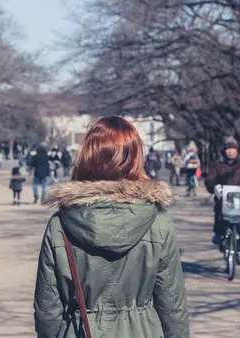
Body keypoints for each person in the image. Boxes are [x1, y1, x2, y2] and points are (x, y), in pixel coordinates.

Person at [35, 116, 189, 338]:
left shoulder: (61, 224)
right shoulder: (157, 222)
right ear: (135, 158)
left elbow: (48, 307)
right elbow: (172, 303)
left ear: (87, 157)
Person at [204, 136, 240, 265]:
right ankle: (218, 234)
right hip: (223, 197)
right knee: (219, 215)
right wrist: (213, 186)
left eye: (233, 149)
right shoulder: (218, 164)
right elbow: (210, 178)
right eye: (228, 149)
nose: (230, 151)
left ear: (237, 150)